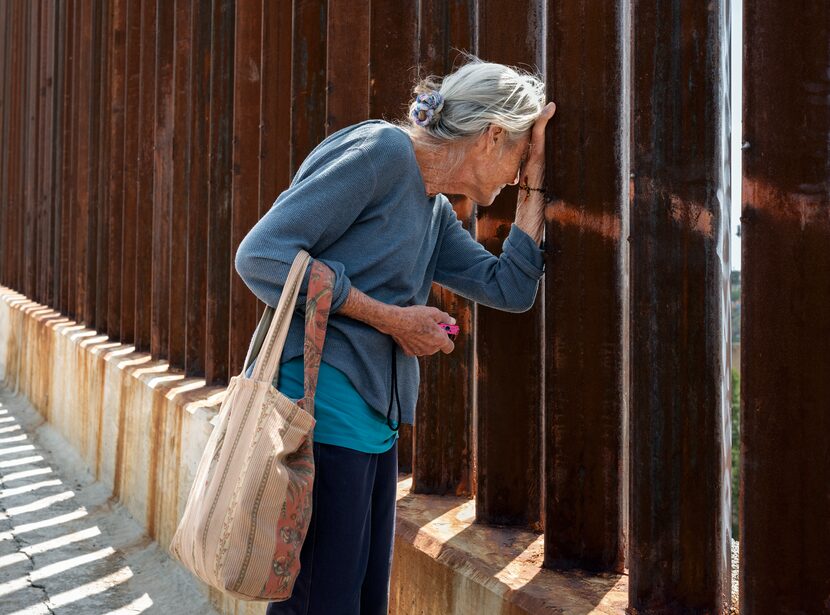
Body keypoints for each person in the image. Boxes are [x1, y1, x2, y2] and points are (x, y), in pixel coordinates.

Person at [234, 53, 556, 615]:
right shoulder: (381, 152)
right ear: (492, 136)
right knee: (320, 604)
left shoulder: (432, 210)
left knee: (359, 603)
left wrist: (534, 190)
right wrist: (391, 318)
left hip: (375, 427)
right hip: (321, 414)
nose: (513, 174)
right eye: (518, 158)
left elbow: (509, 288)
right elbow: (261, 256)